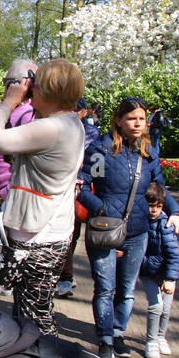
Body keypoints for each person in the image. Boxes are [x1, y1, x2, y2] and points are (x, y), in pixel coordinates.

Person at [0, 58, 86, 334]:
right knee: (34, 311)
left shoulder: (51, 129)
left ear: (48, 90)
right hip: (54, 232)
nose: (30, 89)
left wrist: (8, 102)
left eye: (34, 85)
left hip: (38, 240)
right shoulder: (70, 123)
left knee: (34, 322)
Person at [79, 96, 179, 358]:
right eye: (132, 118)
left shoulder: (148, 153)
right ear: (119, 120)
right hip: (105, 229)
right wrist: (100, 209)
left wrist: (176, 211)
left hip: (137, 232)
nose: (138, 123)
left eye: (141, 118)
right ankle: (104, 339)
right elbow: (84, 184)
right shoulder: (102, 150)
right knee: (105, 287)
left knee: (126, 290)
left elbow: (159, 185)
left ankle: (117, 332)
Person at [56, 97, 100, 298]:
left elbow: (93, 165)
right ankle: (64, 276)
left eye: (77, 110)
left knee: (73, 234)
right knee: (67, 234)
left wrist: (83, 181)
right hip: (62, 187)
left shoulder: (91, 133)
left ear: (84, 112)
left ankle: (66, 276)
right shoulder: (62, 129)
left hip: (80, 190)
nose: (73, 113)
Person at [0, 59, 36, 214]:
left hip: (9, 200)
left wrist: (4, 194)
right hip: (4, 197)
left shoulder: (26, 115)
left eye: (6, 81)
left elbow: (28, 167)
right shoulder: (16, 111)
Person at [137, 181, 179, 358]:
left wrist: (171, 278)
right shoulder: (140, 222)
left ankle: (161, 337)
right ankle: (151, 341)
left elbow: (174, 255)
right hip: (148, 272)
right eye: (150, 205)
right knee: (156, 306)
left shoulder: (165, 226)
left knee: (166, 308)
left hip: (165, 274)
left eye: (158, 206)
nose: (154, 210)